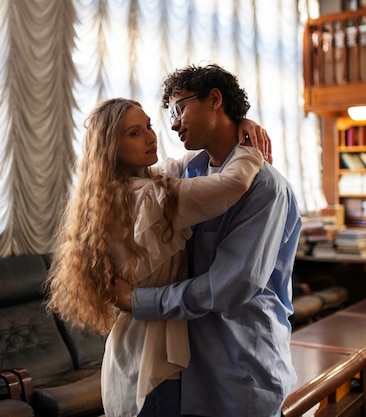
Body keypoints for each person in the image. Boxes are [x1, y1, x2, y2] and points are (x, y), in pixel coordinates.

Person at [44, 97, 269, 417]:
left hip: (133, 348)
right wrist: (249, 146)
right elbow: (232, 183)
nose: (151, 136)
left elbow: (181, 162)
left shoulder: (119, 190)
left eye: (149, 126)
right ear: (111, 147)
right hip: (155, 356)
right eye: (135, 133)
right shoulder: (151, 197)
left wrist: (236, 127)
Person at [113, 64, 302, 417]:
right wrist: (244, 124)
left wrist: (140, 301)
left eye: (179, 108)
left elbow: (228, 286)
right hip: (188, 364)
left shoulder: (265, 187)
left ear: (214, 99)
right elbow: (127, 171)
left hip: (242, 360)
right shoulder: (188, 173)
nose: (172, 123)